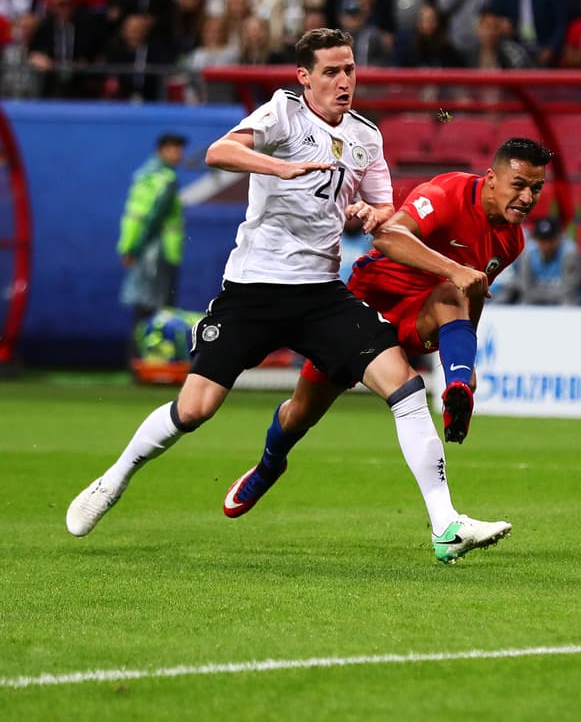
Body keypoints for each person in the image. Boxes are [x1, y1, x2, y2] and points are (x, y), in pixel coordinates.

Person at [66, 29, 513, 566]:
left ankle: (445, 524)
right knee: (195, 409)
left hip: (320, 295)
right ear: (304, 78)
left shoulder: (367, 137)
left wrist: (369, 214)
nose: (344, 81)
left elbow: (380, 213)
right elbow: (219, 151)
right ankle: (113, 480)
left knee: (406, 386)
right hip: (253, 291)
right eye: (331, 72)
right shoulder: (281, 113)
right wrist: (280, 166)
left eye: (349, 69)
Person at [230, 135, 555, 520]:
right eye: (519, 185)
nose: (528, 198)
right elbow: (386, 237)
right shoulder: (448, 194)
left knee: (452, 296)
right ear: (491, 179)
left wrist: (467, 365)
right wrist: (453, 268)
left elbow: (475, 289)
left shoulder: (511, 239)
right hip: (366, 308)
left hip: (421, 314)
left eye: (536, 188)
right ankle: (269, 465)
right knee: (300, 413)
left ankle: (456, 393)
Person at [118, 132, 186, 332]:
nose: (178, 154)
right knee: (156, 307)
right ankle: (148, 357)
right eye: (173, 149)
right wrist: (136, 249)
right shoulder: (165, 179)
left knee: (144, 305)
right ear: (161, 150)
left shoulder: (144, 174)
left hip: (143, 247)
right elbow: (154, 217)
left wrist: (130, 247)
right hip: (157, 250)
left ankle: (139, 357)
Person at [497, 218, 581, 305]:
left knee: (569, 302)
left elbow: (570, 291)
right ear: (536, 240)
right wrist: (541, 295)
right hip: (536, 300)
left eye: (550, 240)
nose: (546, 245)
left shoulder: (570, 253)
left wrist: (540, 294)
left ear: (558, 239)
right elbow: (526, 289)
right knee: (523, 303)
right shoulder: (528, 253)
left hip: (564, 302)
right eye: (542, 240)